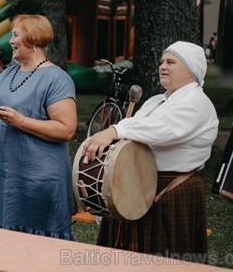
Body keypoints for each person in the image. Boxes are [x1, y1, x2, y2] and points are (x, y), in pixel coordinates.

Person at [83, 41, 218, 261]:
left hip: (171, 188)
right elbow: (135, 134)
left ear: (191, 70)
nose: (163, 66)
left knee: (162, 259)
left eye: (171, 62)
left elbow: (160, 131)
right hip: (138, 183)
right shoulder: (157, 101)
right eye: (162, 61)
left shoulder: (196, 103)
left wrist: (115, 130)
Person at [0, 15, 76, 239]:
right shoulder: (6, 75)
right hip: (7, 176)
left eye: (15, 35)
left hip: (40, 177)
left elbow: (66, 130)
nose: (10, 41)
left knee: (39, 247)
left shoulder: (56, 79)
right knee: (8, 245)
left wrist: (21, 122)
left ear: (33, 39)